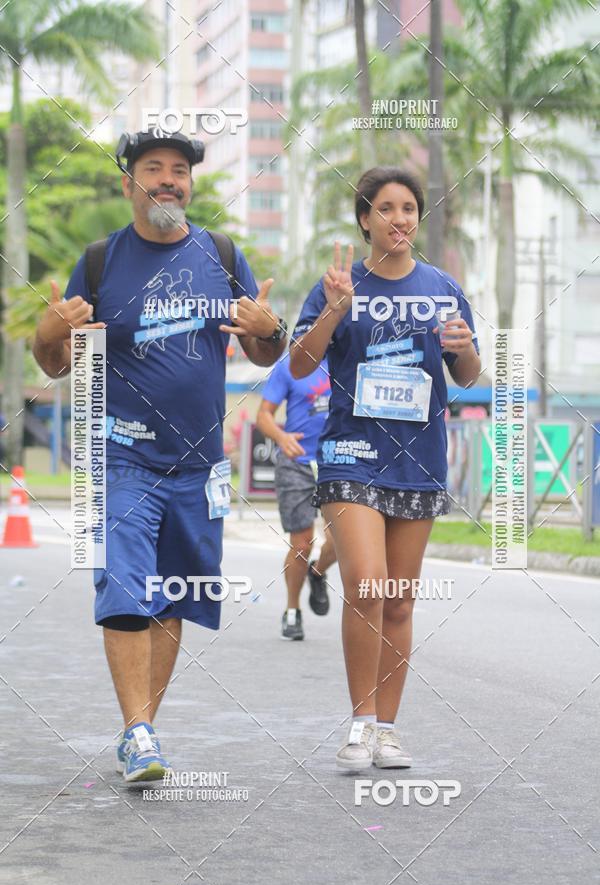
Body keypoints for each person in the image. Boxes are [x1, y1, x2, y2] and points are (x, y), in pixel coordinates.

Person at [33, 130, 287, 782]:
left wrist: (271, 333)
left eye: (179, 170)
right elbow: (56, 362)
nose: (169, 180)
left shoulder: (222, 256)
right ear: (130, 184)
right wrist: (48, 334)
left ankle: (137, 731)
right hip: (120, 455)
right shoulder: (100, 263)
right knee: (125, 580)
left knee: (173, 595)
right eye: (155, 169)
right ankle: (142, 733)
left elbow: (261, 349)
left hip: (199, 465)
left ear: (191, 184)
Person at [289, 166, 481, 771]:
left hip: (419, 458)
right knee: (367, 584)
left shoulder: (444, 288)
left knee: (398, 600)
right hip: (351, 453)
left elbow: (469, 376)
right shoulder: (338, 286)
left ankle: (390, 730)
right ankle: (360, 722)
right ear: (365, 218)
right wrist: (335, 310)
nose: (400, 219)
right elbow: (297, 364)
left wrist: (465, 348)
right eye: (387, 208)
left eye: (409, 209)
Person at [257, 355, 337, 640]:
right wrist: (281, 437)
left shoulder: (349, 356)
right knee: (302, 543)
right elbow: (264, 415)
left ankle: (318, 573)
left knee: (342, 540)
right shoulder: (290, 365)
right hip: (296, 461)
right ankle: (292, 610)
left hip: (340, 460)